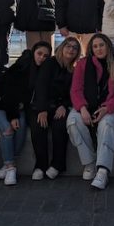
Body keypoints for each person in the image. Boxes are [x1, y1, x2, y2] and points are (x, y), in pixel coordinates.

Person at [0, 41, 52, 186]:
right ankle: (11, 168)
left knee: (21, 128)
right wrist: (13, 116)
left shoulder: (42, 71)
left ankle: (8, 162)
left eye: (46, 56)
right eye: (39, 54)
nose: (42, 58)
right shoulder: (20, 68)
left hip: (17, 108)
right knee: (8, 130)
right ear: (33, 53)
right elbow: (10, 94)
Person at [66, 33, 114, 190]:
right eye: (95, 46)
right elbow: (76, 90)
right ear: (91, 49)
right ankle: (89, 163)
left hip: (108, 107)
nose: (99, 49)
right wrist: (82, 108)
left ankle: (103, 170)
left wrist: (107, 108)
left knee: (106, 126)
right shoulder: (82, 64)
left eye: (101, 45)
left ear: (107, 46)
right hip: (85, 105)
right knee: (73, 122)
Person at [29, 37, 80, 180]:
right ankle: (40, 165)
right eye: (68, 46)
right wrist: (42, 109)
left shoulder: (74, 70)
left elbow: (73, 91)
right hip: (42, 105)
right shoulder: (50, 63)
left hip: (59, 106)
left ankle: (58, 164)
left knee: (60, 126)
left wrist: (64, 105)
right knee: (38, 127)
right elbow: (41, 86)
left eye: (74, 48)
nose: (71, 49)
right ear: (62, 47)